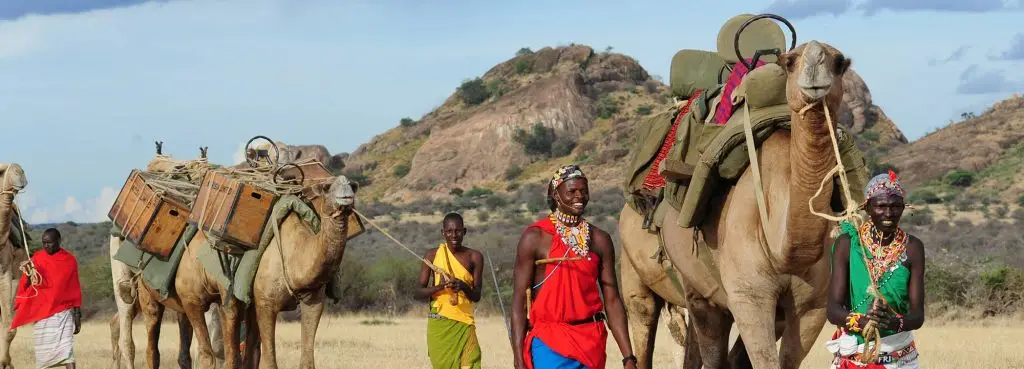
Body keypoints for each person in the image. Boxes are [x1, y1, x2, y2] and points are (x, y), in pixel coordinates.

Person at [511, 164, 637, 369]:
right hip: (549, 342)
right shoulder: (535, 238)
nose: (579, 196)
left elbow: (612, 300)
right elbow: (518, 302)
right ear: (556, 194)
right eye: (572, 191)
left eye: (584, 191)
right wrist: (518, 359)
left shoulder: (600, 239)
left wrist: (628, 357)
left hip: (591, 342)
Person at [824, 170, 925, 369]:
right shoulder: (848, 244)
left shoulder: (913, 248)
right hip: (854, 354)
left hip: (899, 356)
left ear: (904, 208)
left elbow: (918, 315)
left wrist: (894, 322)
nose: (888, 214)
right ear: (867, 208)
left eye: (895, 206)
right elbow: (833, 310)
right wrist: (860, 322)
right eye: (881, 206)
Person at [416, 213, 484, 369]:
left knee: (472, 360)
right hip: (439, 324)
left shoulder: (475, 257)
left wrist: (463, 286)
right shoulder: (432, 255)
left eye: (458, 231)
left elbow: (477, 295)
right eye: (449, 231)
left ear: (464, 231)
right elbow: (418, 293)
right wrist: (440, 287)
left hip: (464, 322)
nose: (454, 235)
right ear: (443, 233)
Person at [10, 228, 82, 369]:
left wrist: (77, 314)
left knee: (68, 351)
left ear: (58, 241)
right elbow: (28, 285)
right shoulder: (37, 258)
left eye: (49, 242)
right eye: (44, 243)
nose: (46, 246)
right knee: (43, 358)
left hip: (63, 313)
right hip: (43, 313)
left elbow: (74, 288)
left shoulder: (69, 260)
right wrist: (30, 274)